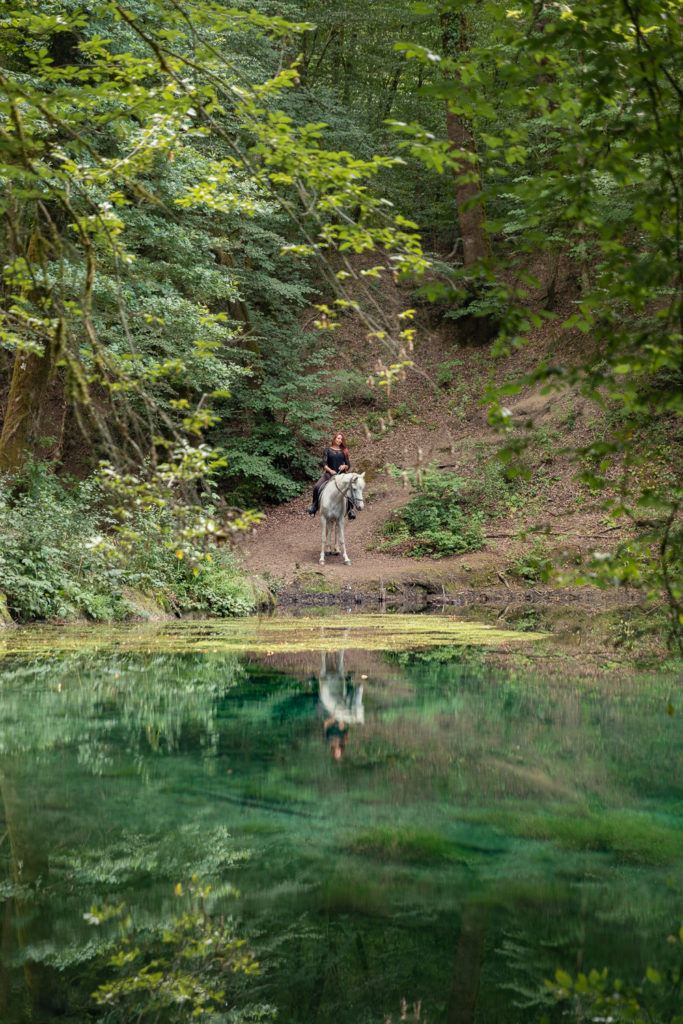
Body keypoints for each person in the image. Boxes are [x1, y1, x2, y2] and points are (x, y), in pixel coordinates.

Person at [306, 430, 356, 518]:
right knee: (317, 486)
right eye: (338, 438)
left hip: (341, 475)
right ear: (334, 439)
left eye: (341, 439)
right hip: (329, 474)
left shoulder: (344, 451)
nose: (340, 440)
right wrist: (330, 470)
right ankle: (314, 506)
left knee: (349, 488)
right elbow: (324, 464)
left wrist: (344, 466)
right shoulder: (327, 450)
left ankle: (350, 510)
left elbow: (348, 465)